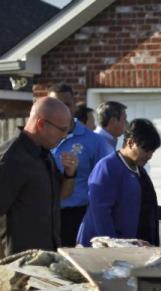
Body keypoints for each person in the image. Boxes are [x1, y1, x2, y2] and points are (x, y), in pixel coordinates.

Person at [0, 96, 78, 263]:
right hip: (19, 262)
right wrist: (0, 267)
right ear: (40, 124)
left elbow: (61, 195)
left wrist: (70, 174)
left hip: (46, 258)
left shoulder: (44, 154)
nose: (65, 136)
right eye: (62, 130)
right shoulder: (9, 158)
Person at [77, 118, 161, 246]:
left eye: (152, 151)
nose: (149, 155)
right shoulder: (107, 167)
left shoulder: (140, 172)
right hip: (102, 250)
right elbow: (100, 213)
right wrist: (115, 246)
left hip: (128, 249)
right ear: (130, 143)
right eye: (146, 150)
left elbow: (146, 211)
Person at [48, 83, 110, 246]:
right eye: (56, 104)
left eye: (66, 104)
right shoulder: (41, 138)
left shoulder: (94, 141)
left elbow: (104, 182)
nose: (61, 108)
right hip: (44, 214)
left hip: (77, 216)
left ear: (75, 106)